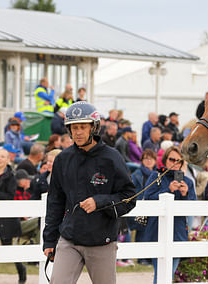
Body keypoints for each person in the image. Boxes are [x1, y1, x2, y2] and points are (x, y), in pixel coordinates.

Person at [42, 102, 136, 283]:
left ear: (94, 127)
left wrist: (99, 202)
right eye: (74, 127)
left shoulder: (112, 158)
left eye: (82, 127)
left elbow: (129, 198)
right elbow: (55, 201)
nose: (77, 132)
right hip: (69, 239)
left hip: (102, 241)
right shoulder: (62, 159)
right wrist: (49, 240)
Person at [142, 146, 196, 284]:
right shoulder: (156, 177)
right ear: (165, 160)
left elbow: (193, 208)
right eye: (172, 159)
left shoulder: (188, 182)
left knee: (169, 274)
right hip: (157, 232)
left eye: (179, 161)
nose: (175, 163)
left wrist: (185, 194)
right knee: (160, 274)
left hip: (177, 233)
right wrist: (168, 190)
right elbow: (147, 199)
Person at [0, 148, 27, 283]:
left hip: (6, 218)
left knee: (8, 247)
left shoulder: (11, 176)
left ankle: (21, 272)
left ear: (7, 159)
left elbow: (9, 196)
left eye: (2, 156)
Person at [129, 149, 157, 265]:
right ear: (142, 161)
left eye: (151, 158)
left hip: (154, 206)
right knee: (141, 231)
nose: (149, 161)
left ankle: (150, 257)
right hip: (140, 206)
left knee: (151, 231)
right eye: (146, 158)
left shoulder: (158, 174)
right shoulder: (137, 174)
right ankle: (141, 258)